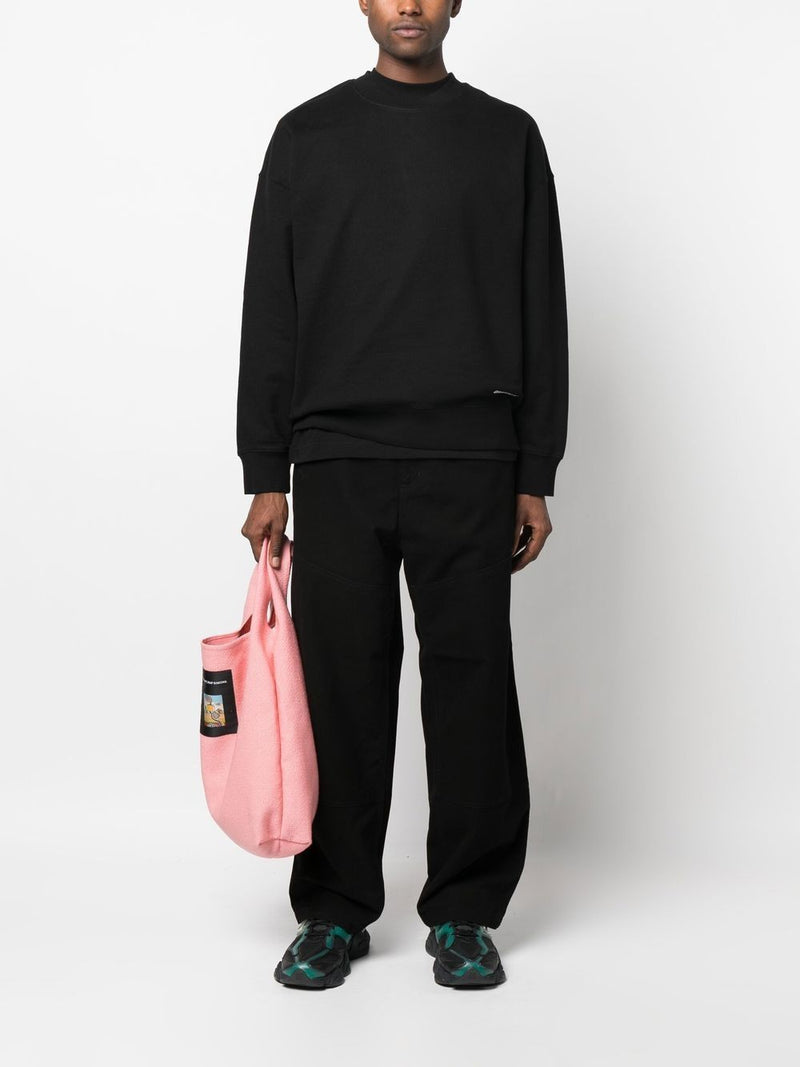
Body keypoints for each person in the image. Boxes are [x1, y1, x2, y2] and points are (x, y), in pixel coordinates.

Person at [236, 0, 568, 990]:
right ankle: (332, 909)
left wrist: (534, 469)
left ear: (458, 1)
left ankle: (465, 909)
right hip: (336, 456)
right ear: (363, 2)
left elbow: (540, 306)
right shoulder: (306, 136)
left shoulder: (506, 139)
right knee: (339, 687)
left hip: (470, 453)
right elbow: (271, 306)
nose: (409, 4)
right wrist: (264, 468)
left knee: (470, 685)